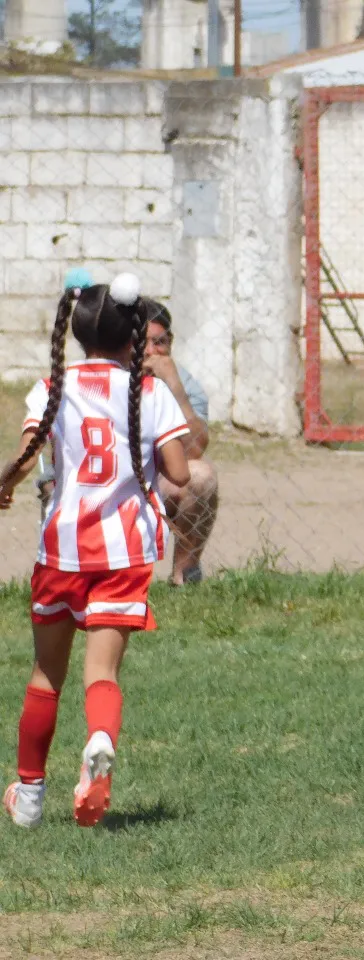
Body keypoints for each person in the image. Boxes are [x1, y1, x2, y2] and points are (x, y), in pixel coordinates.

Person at [0, 275, 191, 828]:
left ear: (77, 333)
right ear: (135, 338)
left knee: (45, 676)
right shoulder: (148, 394)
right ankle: (100, 739)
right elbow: (179, 474)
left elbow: (26, 453)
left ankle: (29, 797)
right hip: (124, 554)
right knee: (101, 673)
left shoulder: (52, 388)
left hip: (61, 552)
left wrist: (7, 484)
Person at [141, 298, 218, 586]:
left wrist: (174, 388)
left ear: (170, 343)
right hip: (112, 482)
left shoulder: (184, 383)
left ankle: (183, 577)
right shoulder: (112, 376)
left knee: (201, 477)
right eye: (142, 342)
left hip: (158, 481)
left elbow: (195, 449)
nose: (151, 352)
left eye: (159, 342)